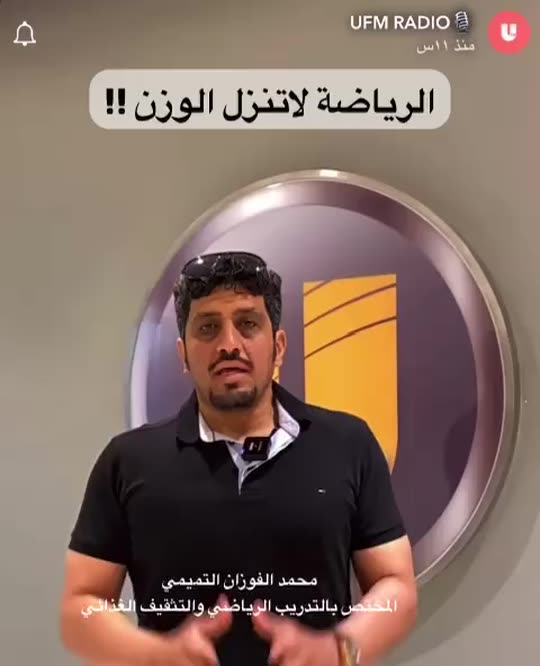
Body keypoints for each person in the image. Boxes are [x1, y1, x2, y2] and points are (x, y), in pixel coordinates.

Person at [60, 251, 418, 666]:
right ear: (183, 354)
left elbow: (395, 585)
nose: (229, 344)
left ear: (278, 346)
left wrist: (338, 651)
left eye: (247, 324)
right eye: (208, 328)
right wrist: (156, 655)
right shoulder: (127, 462)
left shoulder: (348, 444)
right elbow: (82, 604)